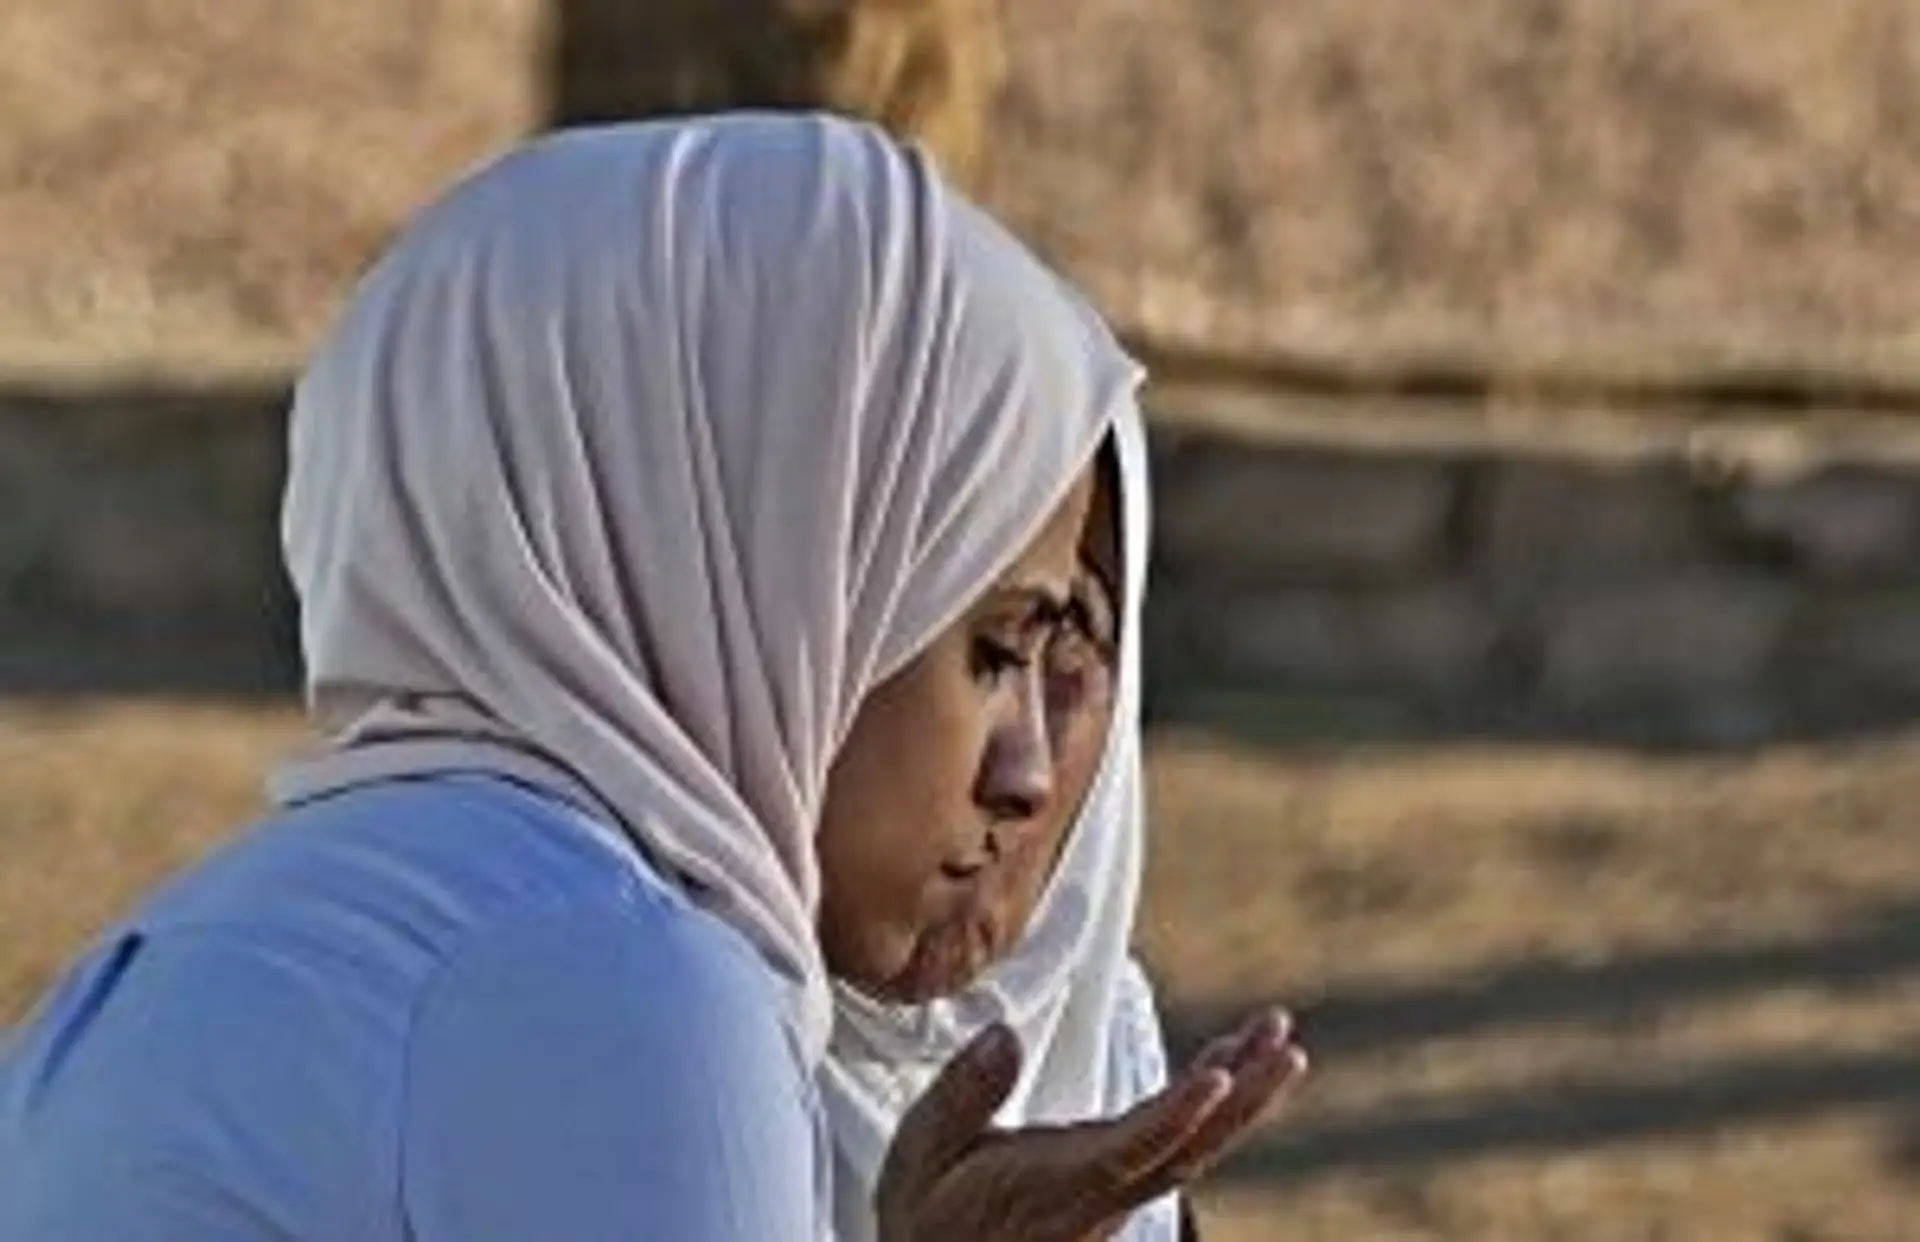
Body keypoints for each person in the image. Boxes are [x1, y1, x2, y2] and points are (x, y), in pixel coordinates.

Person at [0, 113, 1304, 1241]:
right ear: (751, 568)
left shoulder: (210, 948)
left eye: (1080, 651)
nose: (1028, 769)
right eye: (994, 646)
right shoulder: (612, 976)